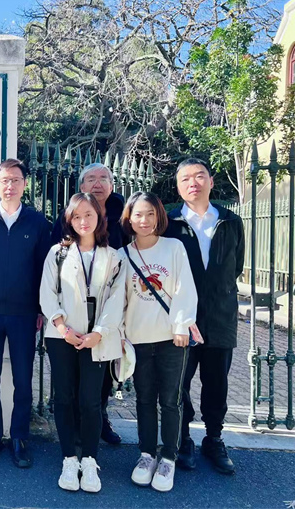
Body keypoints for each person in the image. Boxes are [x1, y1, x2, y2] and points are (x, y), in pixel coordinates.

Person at [40, 193, 125, 493]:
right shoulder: (58, 253)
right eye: (77, 216)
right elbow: (47, 293)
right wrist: (63, 327)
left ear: (99, 218)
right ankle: (68, 459)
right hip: (62, 336)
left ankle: (89, 460)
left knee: (90, 401)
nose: (83, 221)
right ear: (69, 220)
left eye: (89, 215)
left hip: (97, 339)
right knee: (63, 398)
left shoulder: (113, 257)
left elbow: (117, 299)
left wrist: (99, 332)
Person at [0, 158, 51, 468]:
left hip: (23, 314)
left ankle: (19, 438)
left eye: (16, 180)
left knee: (22, 380)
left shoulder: (38, 223)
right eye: (5, 180)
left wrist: (40, 309)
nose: (10, 185)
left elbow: (43, 270)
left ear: (24, 184)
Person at [165, 158, 244, 475]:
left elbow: (235, 267)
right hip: (183, 319)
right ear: (178, 186)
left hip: (220, 317)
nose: (193, 183)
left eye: (199, 176)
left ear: (211, 181)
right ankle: (183, 439)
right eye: (185, 178)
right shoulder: (170, 223)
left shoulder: (230, 221)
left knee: (217, 383)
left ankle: (214, 438)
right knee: (179, 383)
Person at [120, 191, 198, 492]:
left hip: (170, 339)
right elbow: (121, 300)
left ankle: (168, 457)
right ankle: (146, 454)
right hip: (138, 339)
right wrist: (121, 334)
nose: (144, 220)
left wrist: (181, 325)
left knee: (170, 400)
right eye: (138, 214)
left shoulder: (173, 248)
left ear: (159, 217)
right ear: (129, 219)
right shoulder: (123, 255)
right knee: (143, 399)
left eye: (150, 213)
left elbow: (184, 289)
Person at [51, 163, 128, 445]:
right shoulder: (65, 221)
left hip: (112, 311)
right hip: (70, 316)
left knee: (103, 375)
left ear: (112, 185)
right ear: (81, 186)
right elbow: (51, 274)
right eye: (91, 179)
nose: (97, 183)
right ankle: (73, 429)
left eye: (103, 178)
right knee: (70, 378)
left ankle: (99, 420)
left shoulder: (125, 216)